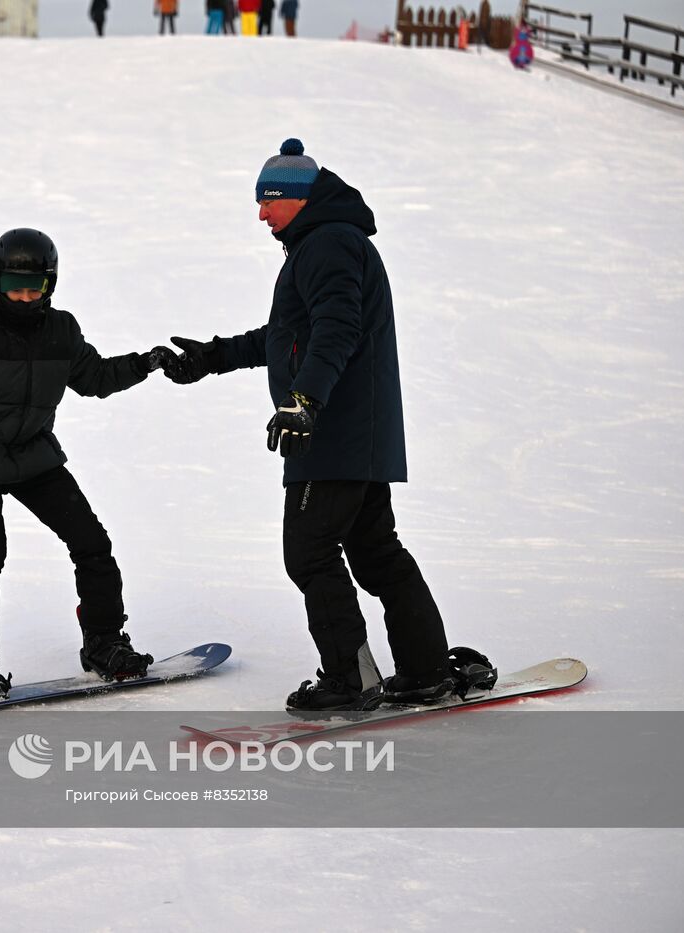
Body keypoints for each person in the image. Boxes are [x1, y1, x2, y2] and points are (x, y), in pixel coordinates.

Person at [162, 140, 495, 711]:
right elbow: (292, 337)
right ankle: (423, 671)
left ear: (296, 198)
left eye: (267, 202)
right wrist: (209, 358)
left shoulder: (329, 245)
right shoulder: (326, 244)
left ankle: (350, 679)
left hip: (333, 436)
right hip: (354, 435)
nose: (260, 214)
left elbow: (336, 329)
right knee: (376, 554)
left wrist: (304, 402)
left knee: (310, 552)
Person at [0, 229, 171, 702]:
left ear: (51, 284)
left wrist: (143, 363)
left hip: (32, 452)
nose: (25, 297)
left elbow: (94, 377)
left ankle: (104, 643)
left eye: (36, 287)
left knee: (91, 542)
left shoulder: (61, 329)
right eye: (15, 285)